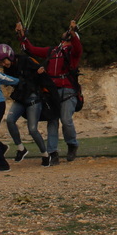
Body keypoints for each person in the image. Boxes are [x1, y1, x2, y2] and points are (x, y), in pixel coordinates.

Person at [16, 20, 82, 166]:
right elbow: (31, 49)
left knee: (65, 119)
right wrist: (21, 34)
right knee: (52, 120)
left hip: (68, 89)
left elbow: (78, 47)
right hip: (52, 90)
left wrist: (73, 31)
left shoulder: (73, 52)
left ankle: (72, 144)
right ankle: (53, 153)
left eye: (69, 34)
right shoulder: (52, 51)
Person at [0, 42, 50, 166]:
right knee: (9, 120)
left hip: (33, 98)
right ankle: (21, 148)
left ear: (10, 56)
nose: (4, 64)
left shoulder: (25, 60)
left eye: (4, 61)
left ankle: (45, 155)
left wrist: (40, 72)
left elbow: (40, 71)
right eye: (1, 63)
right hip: (21, 98)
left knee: (33, 129)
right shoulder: (8, 68)